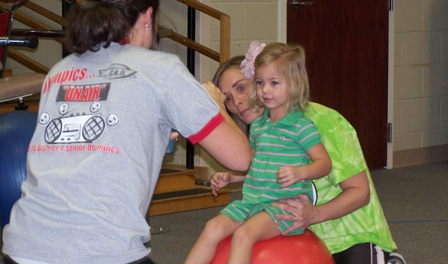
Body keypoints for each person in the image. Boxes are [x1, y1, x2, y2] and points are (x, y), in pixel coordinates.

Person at [1, 1, 252, 264]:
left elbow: (81, 143)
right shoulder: (161, 69)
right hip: (103, 252)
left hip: (23, 248)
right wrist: (216, 104)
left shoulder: (60, 71)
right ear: (148, 17)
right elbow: (240, 158)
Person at [203, 42, 400, 264]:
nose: (236, 102)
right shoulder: (262, 129)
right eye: (227, 98)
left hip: (349, 237)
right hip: (300, 237)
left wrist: (314, 215)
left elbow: (360, 192)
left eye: (241, 87)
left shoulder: (319, 121)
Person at [185, 42, 332, 264]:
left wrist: (301, 172)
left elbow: (324, 163)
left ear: (294, 85)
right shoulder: (259, 127)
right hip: (253, 202)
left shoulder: (302, 126)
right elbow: (255, 164)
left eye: (274, 83)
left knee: (243, 235)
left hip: (284, 204)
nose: (265, 90)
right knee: (212, 228)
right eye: (261, 83)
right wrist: (230, 177)